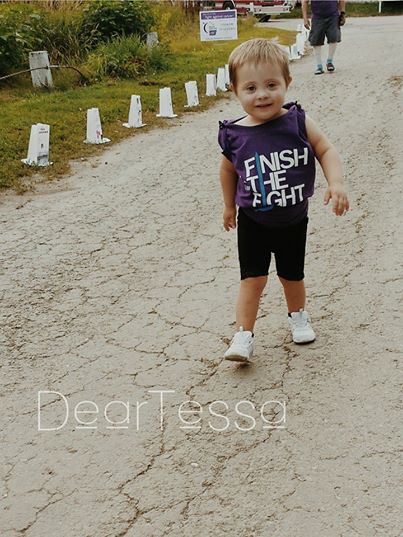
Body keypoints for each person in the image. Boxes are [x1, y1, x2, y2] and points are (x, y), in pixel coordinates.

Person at [218, 38, 349, 362]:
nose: (262, 94)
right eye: (250, 88)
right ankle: (243, 335)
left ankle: (298, 317)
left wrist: (336, 182)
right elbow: (228, 169)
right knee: (252, 279)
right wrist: (228, 205)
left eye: (271, 84)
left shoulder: (296, 121)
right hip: (253, 220)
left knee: (292, 275)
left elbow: (325, 149)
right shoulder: (234, 134)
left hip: (293, 219)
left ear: (287, 83)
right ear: (235, 91)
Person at [302, 0, 346, 75]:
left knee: (334, 36)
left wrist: (342, 14)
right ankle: (319, 66)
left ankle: (329, 61)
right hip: (317, 17)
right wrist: (305, 19)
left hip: (333, 15)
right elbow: (304, 2)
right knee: (316, 40)